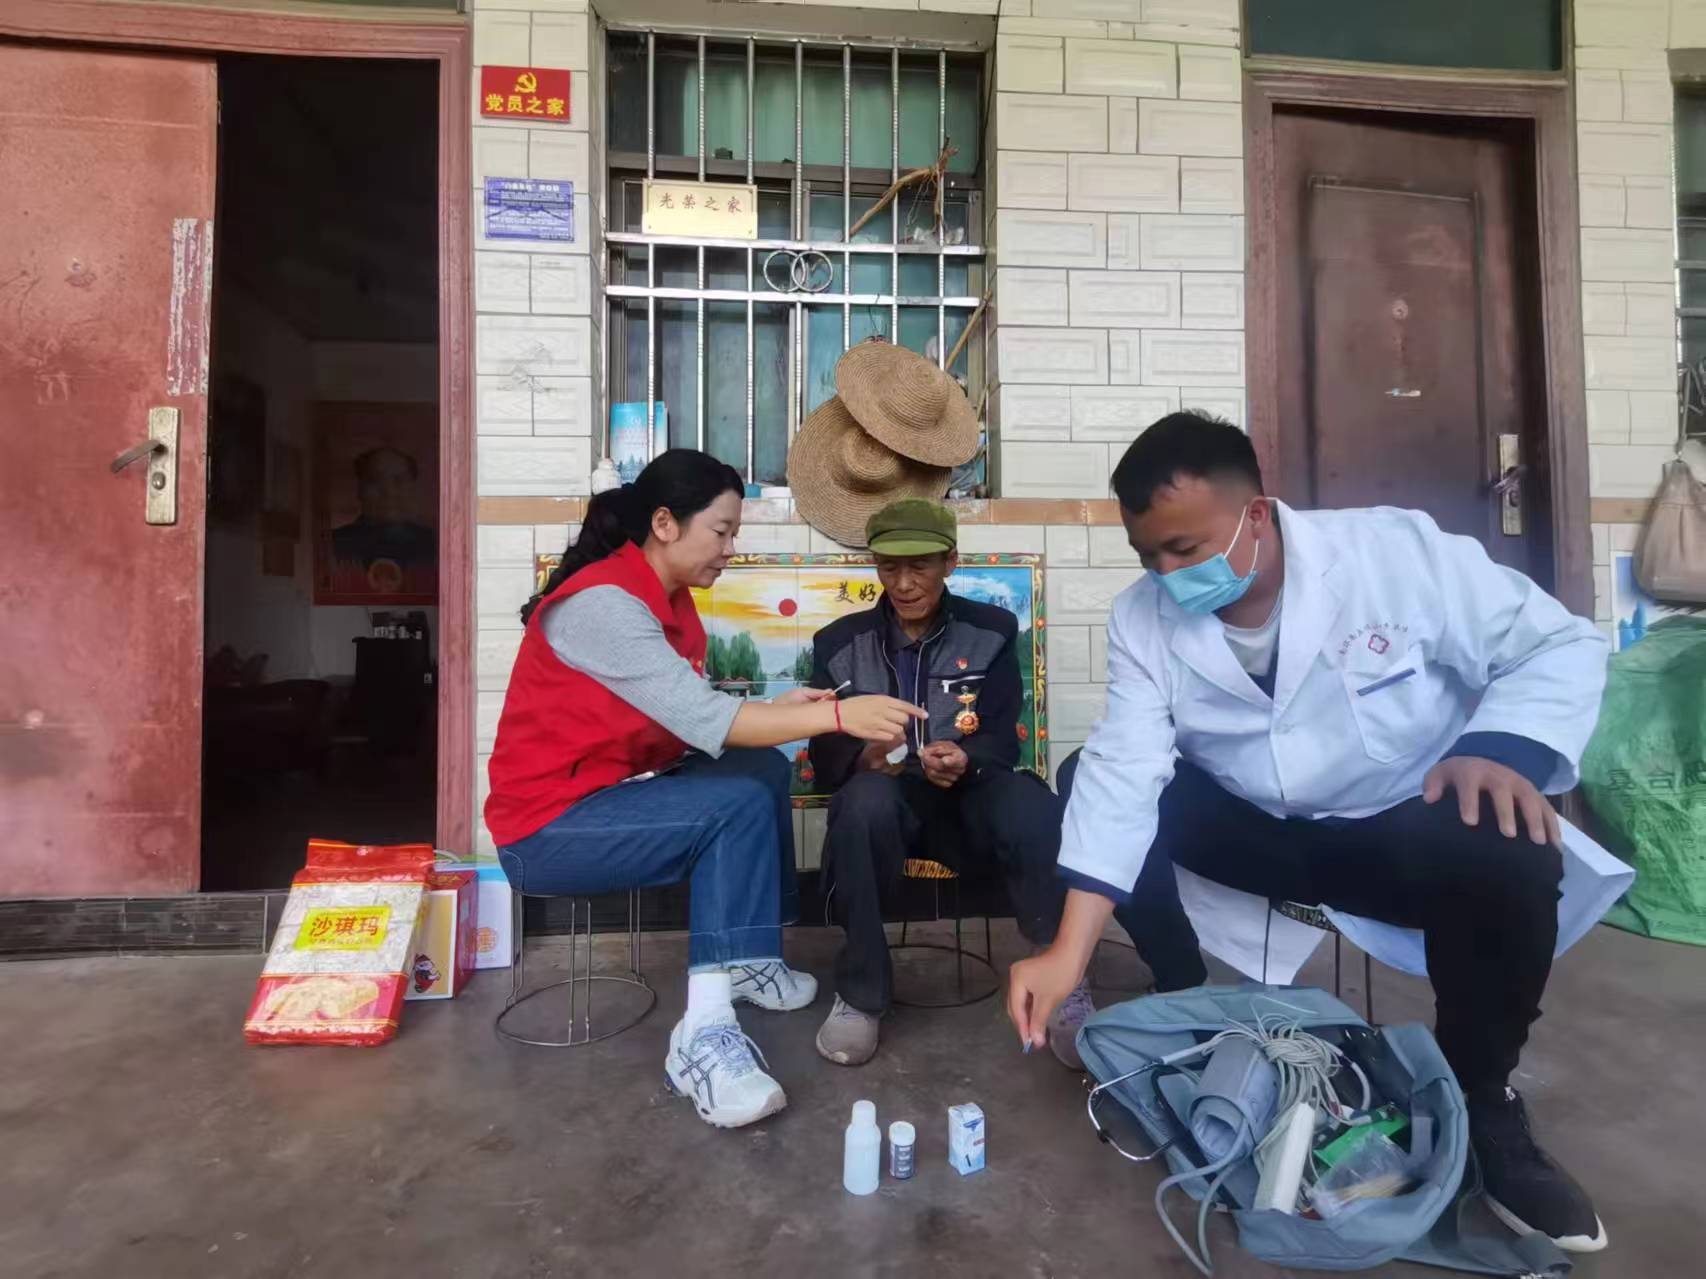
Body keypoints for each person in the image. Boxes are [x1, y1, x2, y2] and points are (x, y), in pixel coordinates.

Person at [1007, 412, 1611, 1253]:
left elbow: (1556, 641)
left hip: (1395, 829)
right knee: (1088, 773)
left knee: (1510, 840)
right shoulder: (1141, 619)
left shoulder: (1391, 554)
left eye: (1185, 548)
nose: (1168, 575)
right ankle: (1185, 996)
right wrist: (1069, 951)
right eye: (1148, 556)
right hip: (1256, 832)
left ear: (1255, 515)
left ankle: (1481, 1097)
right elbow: (1126, 770)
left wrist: (1500, 751)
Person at [484, 449, 922, 1129]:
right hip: (547, 828)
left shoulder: (671, 599)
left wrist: (776, 709)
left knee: (761, 770)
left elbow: (689, 715)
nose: (730, 548)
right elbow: (709, 720)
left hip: (610, 794)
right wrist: (839, 716)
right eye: (721, 530)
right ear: (664, 523)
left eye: (733, 532)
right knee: (732, 804)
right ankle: (703, 1037)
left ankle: (746, 957)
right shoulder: (604, 605)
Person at [806, 499, 1082, 1066]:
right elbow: (824, 750)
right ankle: (860, 994)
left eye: (920, 567)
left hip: (969, 798)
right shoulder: (839, 643)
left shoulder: (992, 631)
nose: (904, 584)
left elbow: (1002, 738)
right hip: (889, 806)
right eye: (889, 568)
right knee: (861, 803)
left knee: (1032, 805)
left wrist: (965, 758)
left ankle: (1062, 978)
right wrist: (866, 757)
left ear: (950, 562)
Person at [331, 446, 436, 588]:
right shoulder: (334, 543)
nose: (388, 492)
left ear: (412, 489)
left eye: (399, 481)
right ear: (359, 489)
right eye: (375, 481)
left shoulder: (432, 542)